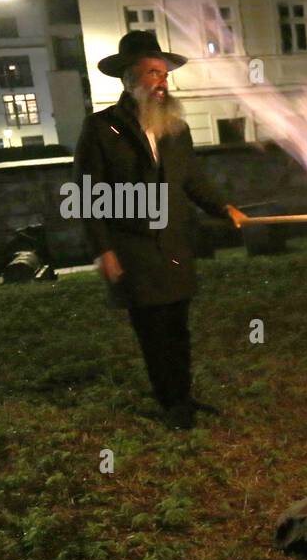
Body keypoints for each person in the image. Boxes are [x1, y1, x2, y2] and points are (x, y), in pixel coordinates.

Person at [73, 30, 247, 430]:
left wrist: (223, 208)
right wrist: (104, 251)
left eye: (164, 74)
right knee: (153, 332)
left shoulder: (175, 129)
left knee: (178, 327)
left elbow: (193, 181)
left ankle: (182, 395)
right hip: (132, 247)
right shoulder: (101, 129)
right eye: (153, 73)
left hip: (174, 244)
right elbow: (87, 195)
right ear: (129, 79)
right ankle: (172, 405)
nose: (162, 81)